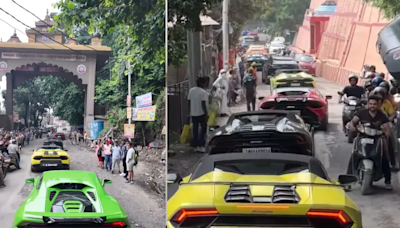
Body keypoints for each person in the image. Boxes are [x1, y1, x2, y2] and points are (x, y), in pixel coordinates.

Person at [347, 95, 392, 189]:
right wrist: (353, 127)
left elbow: (387, 128)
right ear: (368, 104)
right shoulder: (361, 113)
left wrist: (385, 133)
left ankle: (387, 180)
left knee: (384, 157)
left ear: (378, 104)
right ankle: (348, 181)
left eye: (374, 104)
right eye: (370, 104)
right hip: (362, 137)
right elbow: (353, 122)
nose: (372, 106)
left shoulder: (382, 115)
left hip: (377, 139)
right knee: (354, 155)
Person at [188, 77, 209, 152]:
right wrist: (206, 114)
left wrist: (189, 112)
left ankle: (196, 145)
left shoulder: (191, 90)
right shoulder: (203, 92)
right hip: (201, 114)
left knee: (195, 130)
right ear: (203, 83)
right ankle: (201, 145)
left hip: (193, 113)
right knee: (203, 130)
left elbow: (188, 102)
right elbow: (203, 104)